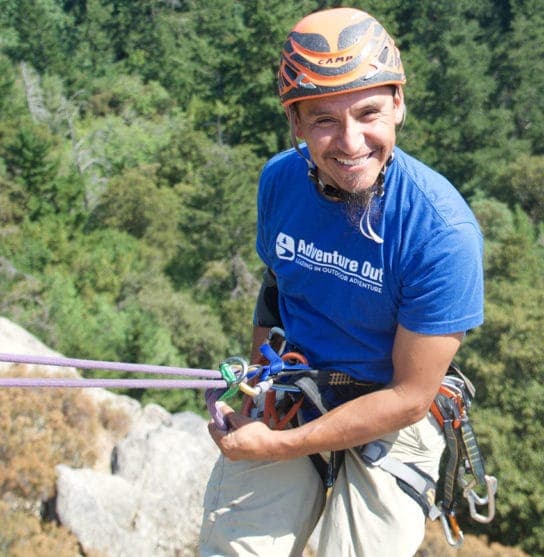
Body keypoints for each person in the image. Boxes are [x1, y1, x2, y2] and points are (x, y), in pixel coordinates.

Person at [198, 7, 484, 557]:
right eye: (324, 119)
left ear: (398, 105)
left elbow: (408, 397)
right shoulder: (280, 181)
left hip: (393, 413)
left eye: (369, 112)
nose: (350, 142)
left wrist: (285, 447)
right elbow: (276, 292)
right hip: (297, 388)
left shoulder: (440, 232)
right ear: (297, 124)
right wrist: (256, 391)